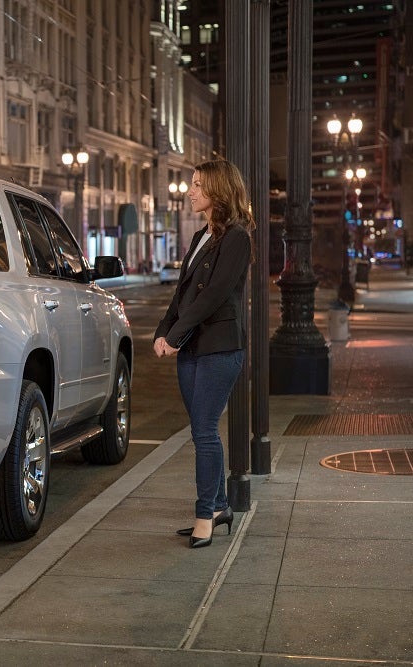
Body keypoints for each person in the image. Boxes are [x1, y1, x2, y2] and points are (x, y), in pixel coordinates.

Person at [153, 159, 255, 549]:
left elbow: (213, 296)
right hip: (193, 348)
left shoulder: (237, 237)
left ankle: (204, 516)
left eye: (197, 184)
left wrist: (176, 336)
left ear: (217, 189)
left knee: (204, 431)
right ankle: (220, 507)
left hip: (220, 347)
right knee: (202, 431)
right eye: (191, 184)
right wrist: (163, 331)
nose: (190, 191)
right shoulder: (200, 236)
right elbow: (182, 295)